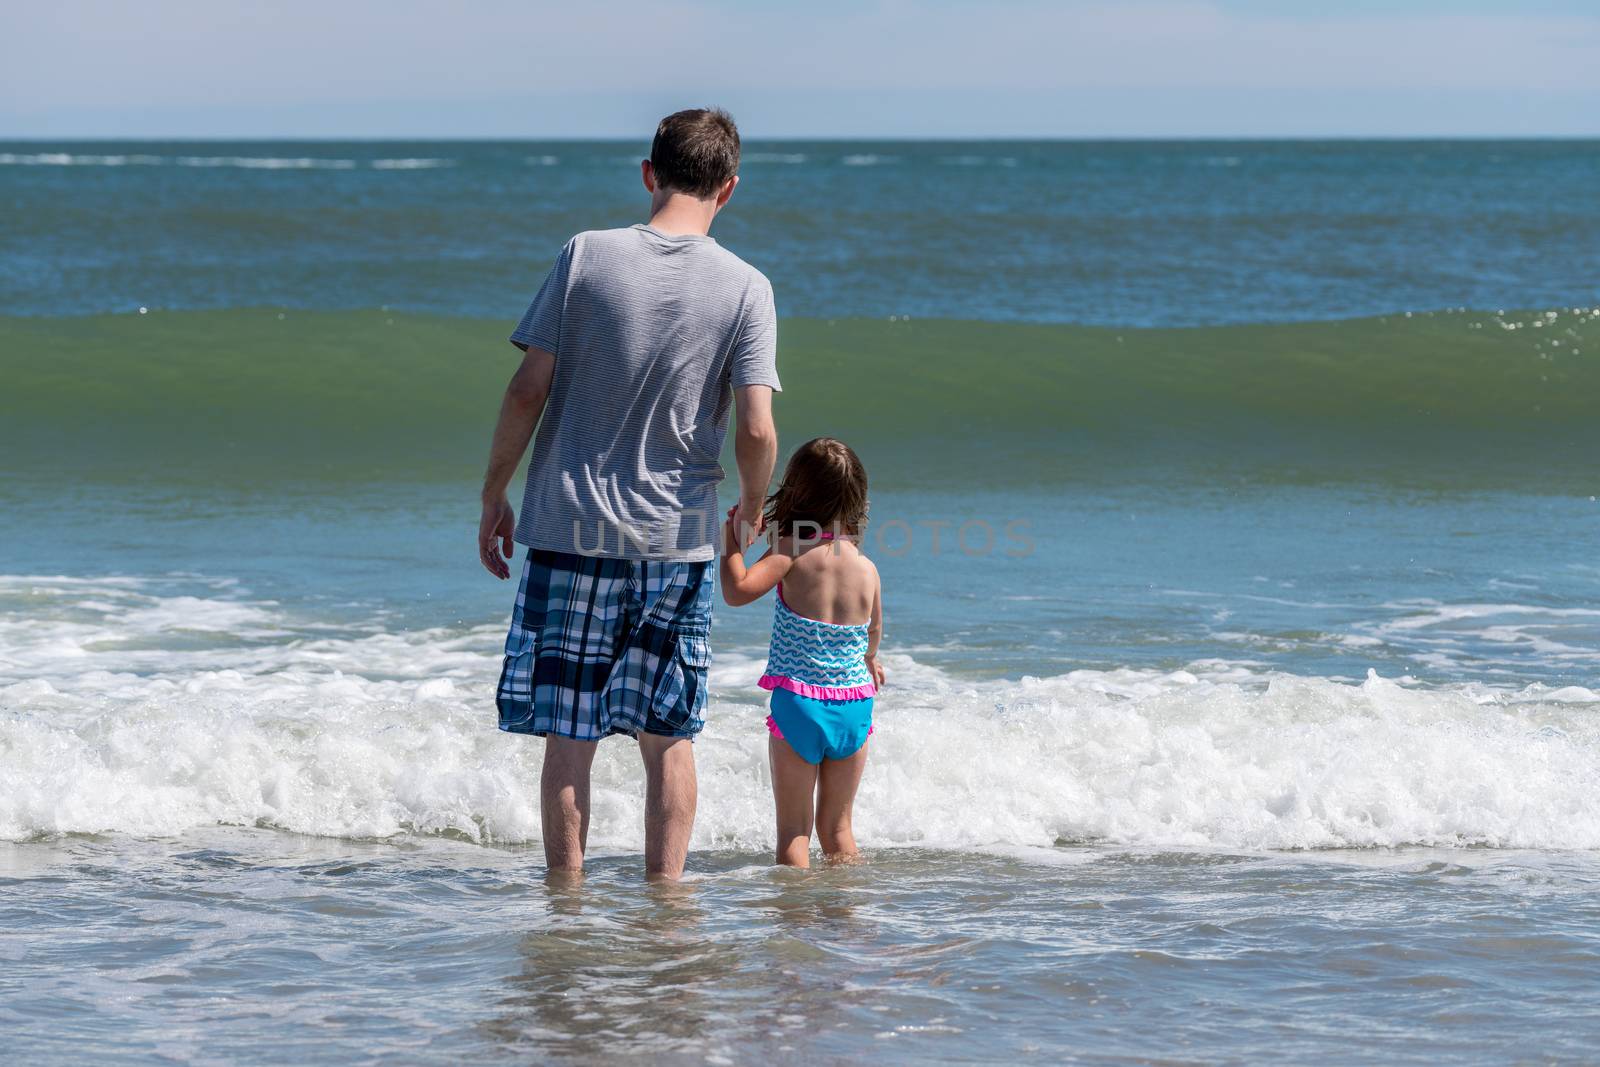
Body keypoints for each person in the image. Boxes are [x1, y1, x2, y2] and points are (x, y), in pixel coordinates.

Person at [477, 108, 780, 881]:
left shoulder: (585, 256)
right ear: (730, 188)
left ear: (649, 173)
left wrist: (494, 491)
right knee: (667, 733)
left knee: (569, 736)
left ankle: (566, 904)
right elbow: (756, 425)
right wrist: (751, 506)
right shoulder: (747, 287)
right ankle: (667, 907)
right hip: (673, 542)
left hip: (570, 528)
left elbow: (526, 389)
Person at [719, 438, 886, 867]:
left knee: (795, 831)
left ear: (798, 490)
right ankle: (847, 917)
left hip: (800, 702)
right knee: (839, 830)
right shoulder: (866, 568)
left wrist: (731, 544)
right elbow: (873, 631)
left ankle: (794, 927)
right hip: (854, 703)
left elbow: (737, 591)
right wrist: (869, 661)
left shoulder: (790, 551)